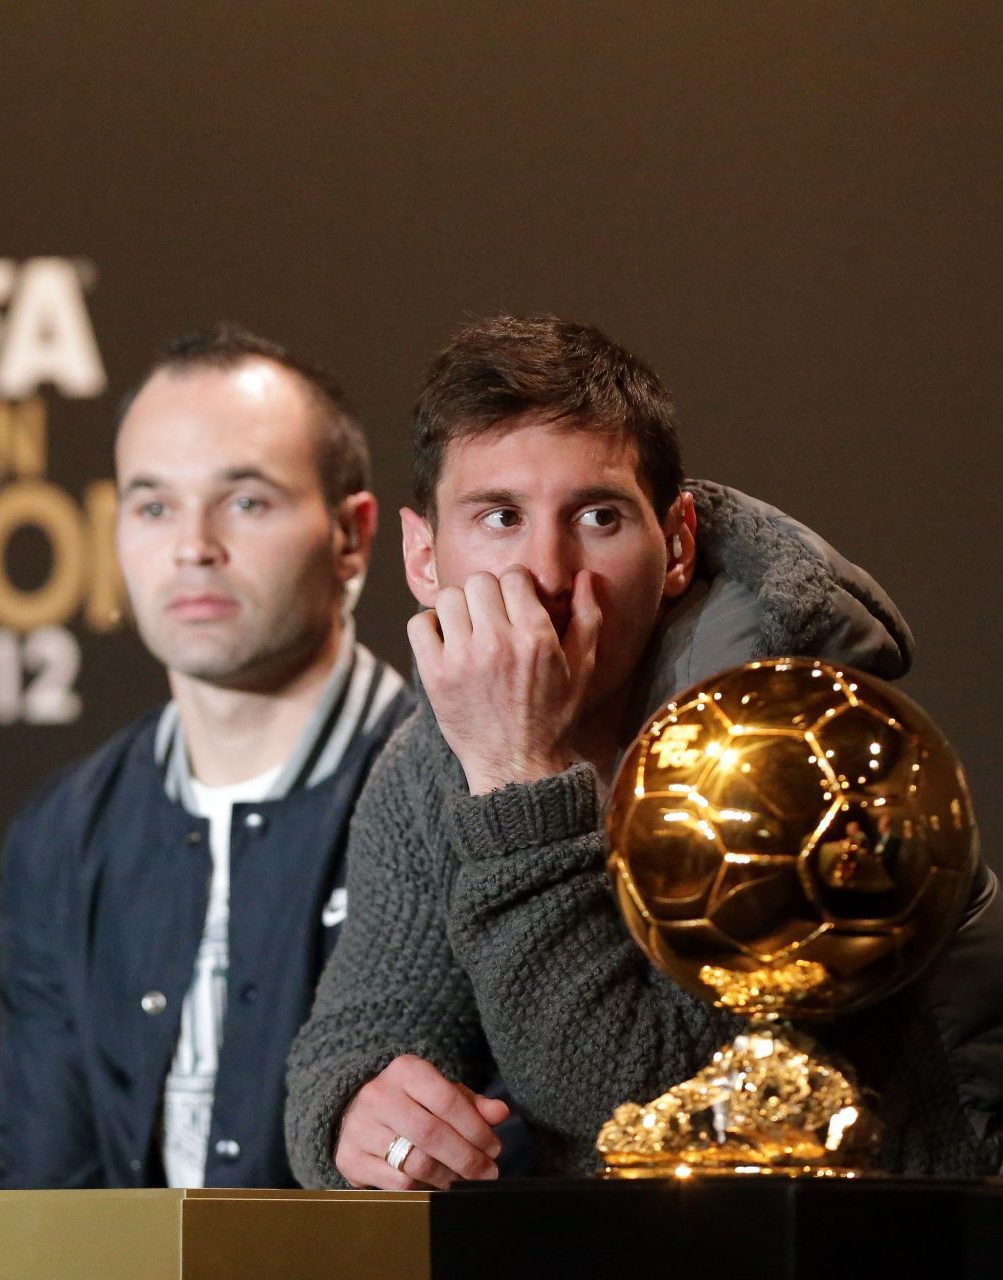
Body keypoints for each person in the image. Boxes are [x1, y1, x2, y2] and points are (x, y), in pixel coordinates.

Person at [284, 314, 1003, 1189]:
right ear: (425, 558)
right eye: (500, 516)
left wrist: (519, 769)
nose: (546, 572)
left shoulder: (793, 738)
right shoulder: (430, 758)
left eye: (597, 516)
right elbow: (359, 1030)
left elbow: (643, 1108)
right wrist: (359, 1114)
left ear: (678, 546)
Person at [0, 326, 415, 1189]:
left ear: (352, 535)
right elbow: (38, 1198)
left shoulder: (460, 794)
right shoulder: (64, 832)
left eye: (245, 501)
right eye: (153, 506)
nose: (192, 547)